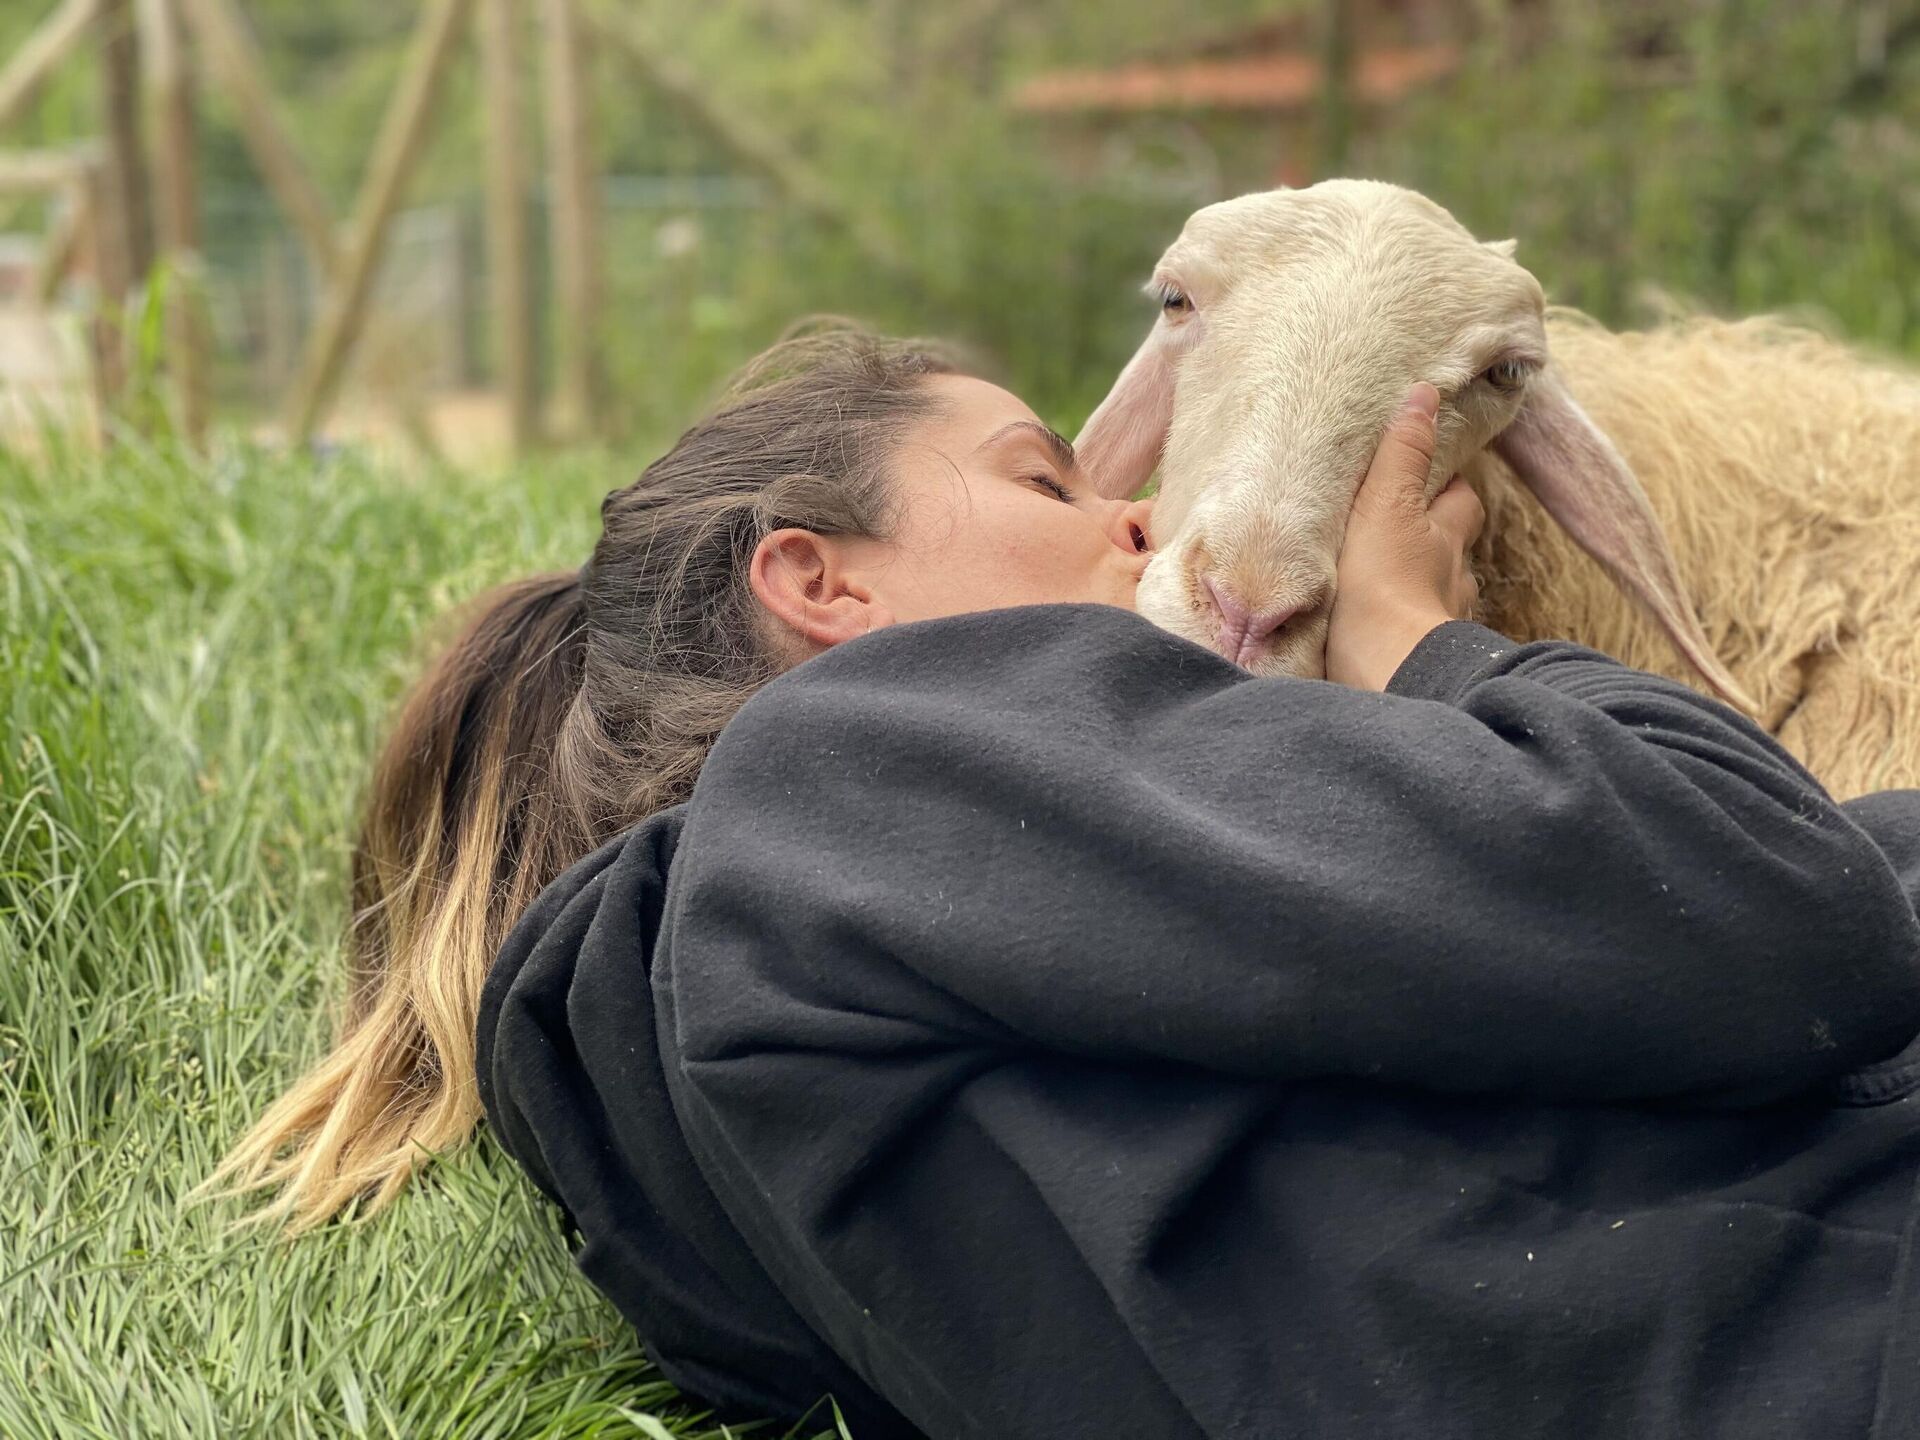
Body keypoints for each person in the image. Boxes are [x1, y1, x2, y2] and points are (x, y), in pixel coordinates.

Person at [209, 327, 1920, 1439]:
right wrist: (1416, 639)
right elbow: (1780, 906)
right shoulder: (851, 781)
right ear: (820, 584)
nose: (1141, 523)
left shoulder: (720, 1114)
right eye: (1049, 479)